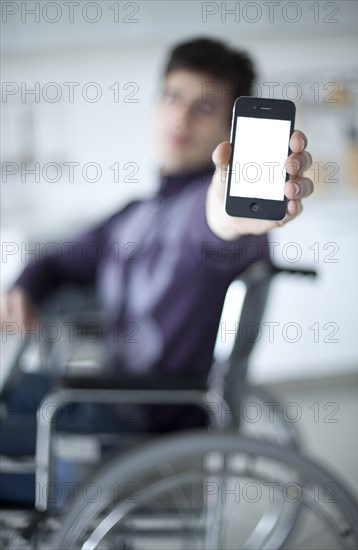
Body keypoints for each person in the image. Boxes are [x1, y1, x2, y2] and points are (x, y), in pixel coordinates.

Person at [0, 38, 313, 504]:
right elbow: (60, 260)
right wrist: (22, 288)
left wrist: (230, 211)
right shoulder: (137, 212)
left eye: (204, 105)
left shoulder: (203, 211)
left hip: (140, 422)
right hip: (112, 398)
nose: (182, 117)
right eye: (172, 98)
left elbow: (212, 229)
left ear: (230, 133)